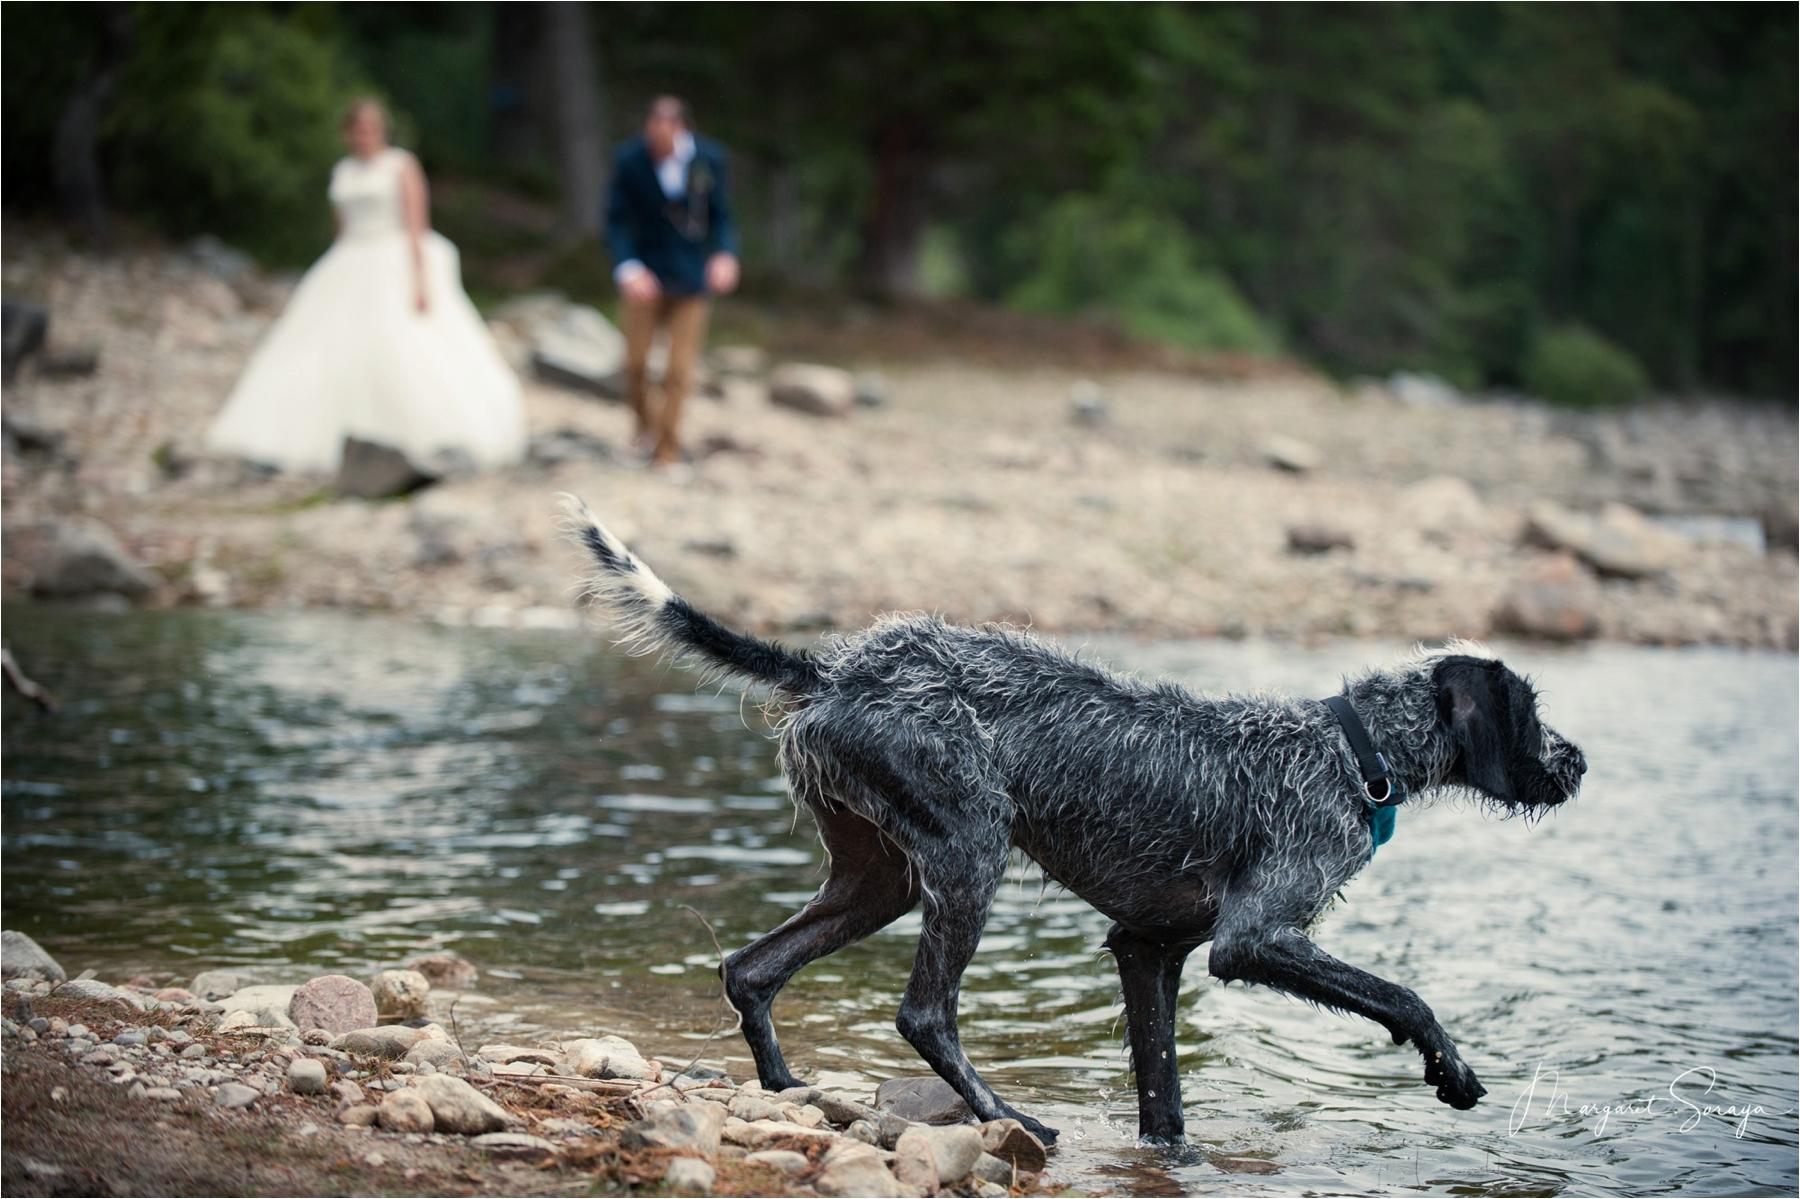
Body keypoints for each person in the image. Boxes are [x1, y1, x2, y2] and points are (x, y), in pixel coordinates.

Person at [207, 98, 526, 474]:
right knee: (328, 348)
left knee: (400, 346)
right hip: (350, 261)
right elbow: (342, 228)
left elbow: (415, 226)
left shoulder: (401, 165)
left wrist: (421, 281)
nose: (364, 136)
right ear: (347, 133)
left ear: (382, 131)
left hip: (393, 259)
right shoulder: (343, 170)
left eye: (371, 129)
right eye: (358, 129)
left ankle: (409, 438)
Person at [604, 95, 739, 466]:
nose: (660, 141)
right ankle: (643, 429)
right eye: (654, 131)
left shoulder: (709, 160)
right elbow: (616, 220)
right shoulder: (630, 160)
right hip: (644, 273)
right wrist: (628, 266)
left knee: (679, 369)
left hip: (691, 277)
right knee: (635, 363)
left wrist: (725, 254)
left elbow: (722, 216)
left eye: (668, 132)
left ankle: (668, 448)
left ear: (683, 130)